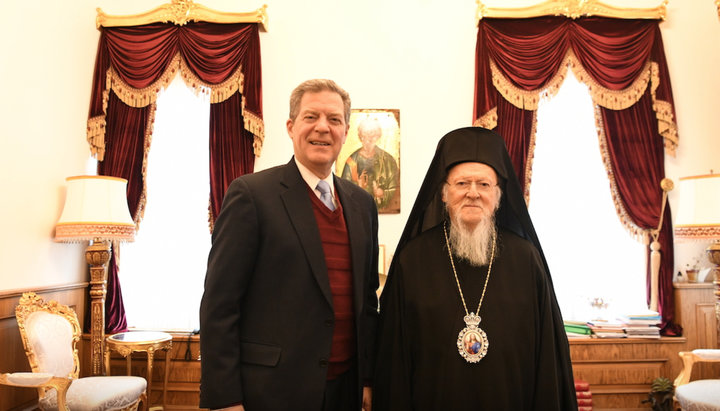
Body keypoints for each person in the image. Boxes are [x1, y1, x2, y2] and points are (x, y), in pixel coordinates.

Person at [199, 79, 379, 411]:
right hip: (272, 391)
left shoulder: (362, 204)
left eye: (334, 119)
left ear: (346, 130)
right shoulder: (252, 195)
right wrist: (225, 399)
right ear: (291, 126)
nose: (323, 128)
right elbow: (219, 305)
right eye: (311, 117)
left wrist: (368, 378)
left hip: (345, 390)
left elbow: (367, 304)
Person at [373, 127, 577, 410]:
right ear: (444, 193)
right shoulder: (413, 260)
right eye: (461, 184)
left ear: (498, 196)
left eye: (483, 185)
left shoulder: (526, 259)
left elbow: (547, 360)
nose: (473, 193)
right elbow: (393, 358)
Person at [341, 118, 399, 212]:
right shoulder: (352, 161)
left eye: (373, 135)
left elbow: (395, 190)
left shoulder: (388, 161)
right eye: (365, 135)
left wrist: (383, 193)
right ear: (360, 136)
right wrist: (358, 187)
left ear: (378, 137)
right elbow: (343, 191)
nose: (369, 139)